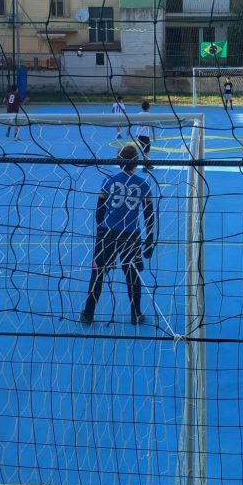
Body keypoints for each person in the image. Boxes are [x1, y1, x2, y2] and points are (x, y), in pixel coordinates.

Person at [80, 144, 155, 327]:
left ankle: (89, 313)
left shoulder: (109, 181)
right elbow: (149, 214)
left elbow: (99, 209)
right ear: (136, 161)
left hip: (108, 233)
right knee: (132, 275)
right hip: (131, 235)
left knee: (98, 273)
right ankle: (135, 314)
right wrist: (150, 240)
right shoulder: (144, 184)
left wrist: (101, 231)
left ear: (118, 160)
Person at [134, 100, 155, 170]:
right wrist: (154, 136)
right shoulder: (149, 115)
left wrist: (128, 131)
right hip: (144, 135)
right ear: (149, 107)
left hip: (138, 135)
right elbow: (152, 125)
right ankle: (145, 166)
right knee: (146, 150)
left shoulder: (138, 114)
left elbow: (134, 123)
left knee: (146, 150)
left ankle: (148, 164)